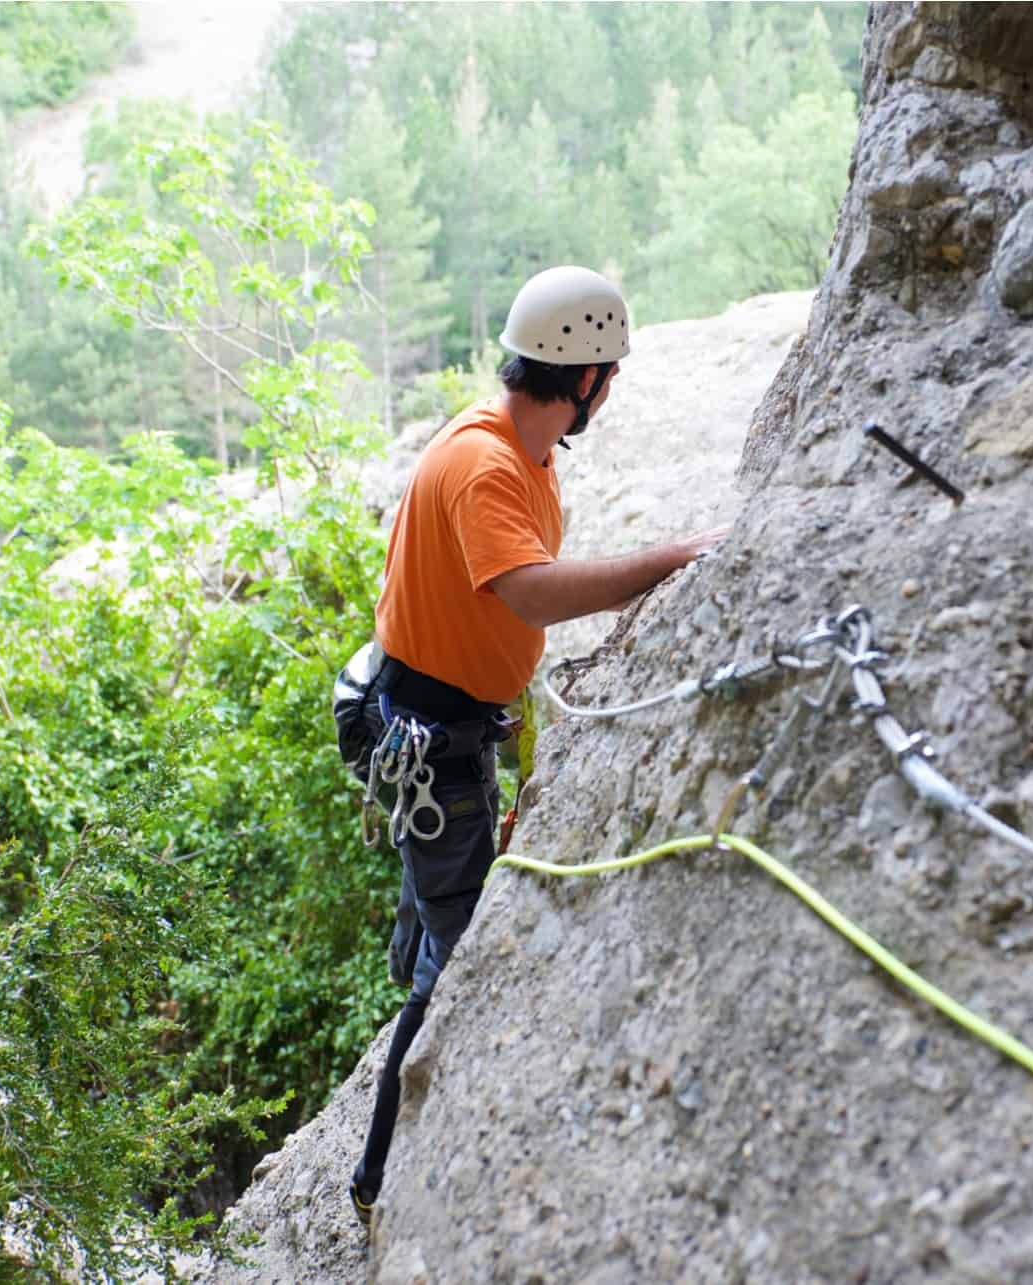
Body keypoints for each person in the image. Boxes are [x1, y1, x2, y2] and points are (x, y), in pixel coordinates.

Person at [342, 265, 726, 1230]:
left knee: (441, 882)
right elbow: (532, 593)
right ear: (585, 375)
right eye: (610, 374)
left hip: (438, 713)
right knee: (461, 946)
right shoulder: (484, 466)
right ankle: (378, 1173)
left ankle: (417, 928)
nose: (612, 389)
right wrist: (671, 560)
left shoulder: (519, 448)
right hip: (429, 729)